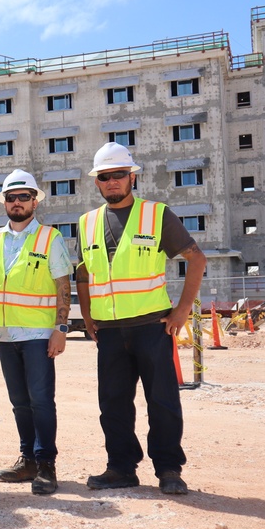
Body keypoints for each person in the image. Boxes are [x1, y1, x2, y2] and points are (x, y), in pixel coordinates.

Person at [76, 143, 206, 495]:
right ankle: (120, 468)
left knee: (162, 401)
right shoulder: (86, 223)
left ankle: (168, 469)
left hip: (151, 326)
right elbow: (84, 274)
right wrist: (87, 317)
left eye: (119, 175)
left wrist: (181, 311)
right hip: (110, 333)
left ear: (131, 176)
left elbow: (196, 259)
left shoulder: (157, 214)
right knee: (113, 405)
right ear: (97, 183)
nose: (113, 182)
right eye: (105, 177)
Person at [0, 169, 72, 496]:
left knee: (41, 400)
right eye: (11, 198)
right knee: (19, 402)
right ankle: (28, 459)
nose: (17, 203)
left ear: (34, 201)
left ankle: (46, 464)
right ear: (5, 202)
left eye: (24, 197)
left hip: (37, 335)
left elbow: (63, 285)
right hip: (3, 334)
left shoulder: (50, 238)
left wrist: (61, 328)